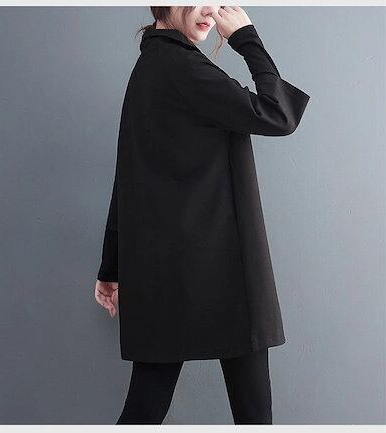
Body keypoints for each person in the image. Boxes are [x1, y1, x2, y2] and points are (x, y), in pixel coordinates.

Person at [94, 6, 310, 424]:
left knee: (145, 406)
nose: (211, 9)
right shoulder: (184, 68)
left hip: (167, 271)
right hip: (224, 268)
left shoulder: (150, 66)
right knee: (252, 415)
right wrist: (247, 38)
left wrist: (112, 266)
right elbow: (277, 113)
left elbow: (129, 173)